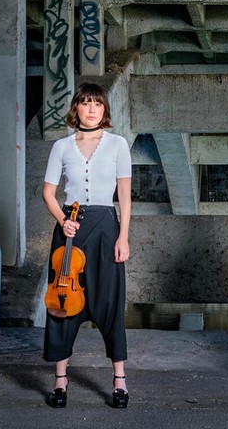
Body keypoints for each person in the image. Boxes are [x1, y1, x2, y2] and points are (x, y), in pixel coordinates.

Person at [41, 82, 132, 409]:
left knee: (110, 302)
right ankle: (61, 381)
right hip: (71, 229)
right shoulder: (62, 147)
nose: (92, 109)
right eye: (85, 103)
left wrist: (123, 236)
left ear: (104, 110)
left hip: (107, 227)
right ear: (76, 108)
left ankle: (119, 379)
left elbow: (123, 195)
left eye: (97, 103)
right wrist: (61, 219)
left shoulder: (119, 144)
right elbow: (49, 193)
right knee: (63, 302)